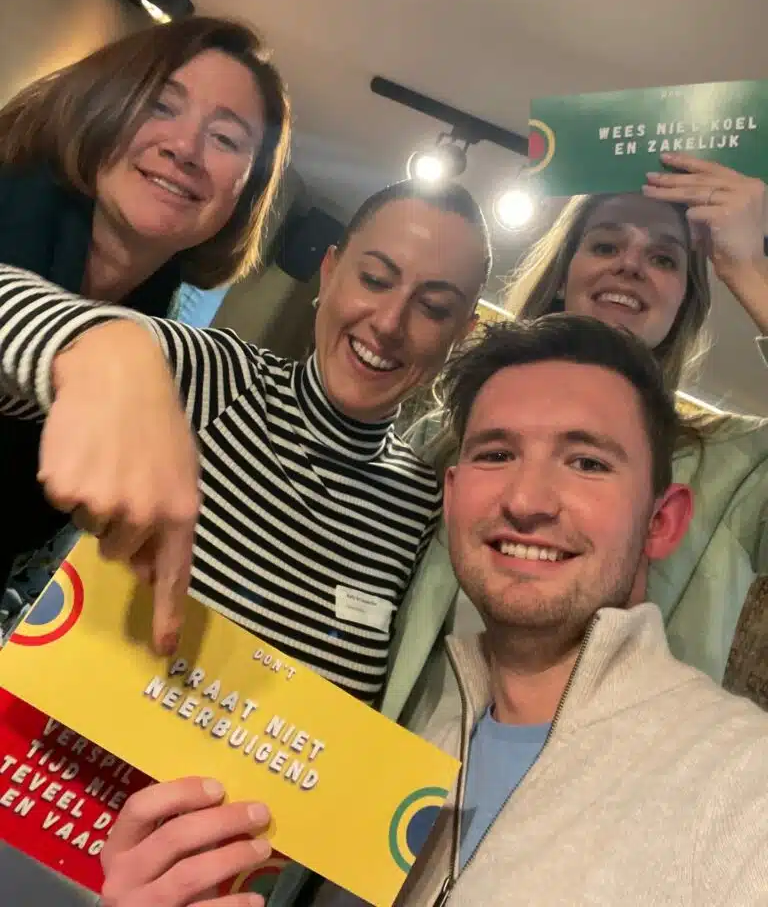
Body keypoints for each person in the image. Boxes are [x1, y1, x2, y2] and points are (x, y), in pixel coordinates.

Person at [96, 317, 768, 907]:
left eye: (587, 462)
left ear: (661, 521)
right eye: (497, 454)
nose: (527, 500)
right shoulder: (402, 763)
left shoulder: (742, 782)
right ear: (450, 497)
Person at [0, 180, 490, 689]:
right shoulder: (214, 379)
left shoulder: (423, 508)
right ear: (329, 272)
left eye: (434, 308)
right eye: (374, 279)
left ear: (461, 335)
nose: (389, 323)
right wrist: (103, 350)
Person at [402, 153, 768, 727]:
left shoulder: (737, 468)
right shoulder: (443, 438)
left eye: (663, 258)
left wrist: (749, 269)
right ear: (563, 273)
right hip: (410, 761)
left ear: (685, 302)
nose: (629, 265)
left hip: (619, 775)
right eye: (605, 245)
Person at [0, 14, 291, 612]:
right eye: (161, 106)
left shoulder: (157, 316)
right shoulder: (13, 191)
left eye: (226, 139)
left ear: (243, 192)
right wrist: (93, 346)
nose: (184, 149)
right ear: (104, 105)